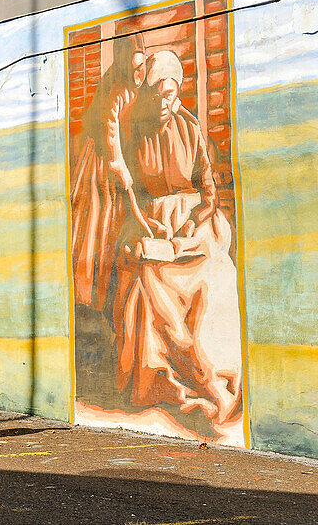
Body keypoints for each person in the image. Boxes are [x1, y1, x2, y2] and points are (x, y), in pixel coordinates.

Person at [113, 50, 243, 429]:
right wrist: (148, 226)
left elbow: (208, 188)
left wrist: (195, 222)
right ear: (147, 93)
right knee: (148, 279)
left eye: (170, 94)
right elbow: (129, 193)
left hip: (191, 227)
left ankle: (214, 375)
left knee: (218, 274)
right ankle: (162, 380)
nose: (163, 101)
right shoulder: (133, 131)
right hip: (150, 223)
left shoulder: (189, 126)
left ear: (177, 92)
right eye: (156, 93)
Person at [69, 34, 147, 311]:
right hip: (100, 164)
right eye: (134, 68)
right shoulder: (118, 90)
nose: (139, 74)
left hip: (115, 159)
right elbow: (110, 134)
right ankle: (90, 295)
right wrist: (122, 170)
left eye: (143, 67)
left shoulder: (135, 89)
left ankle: (104, 294)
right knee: (97, 223)